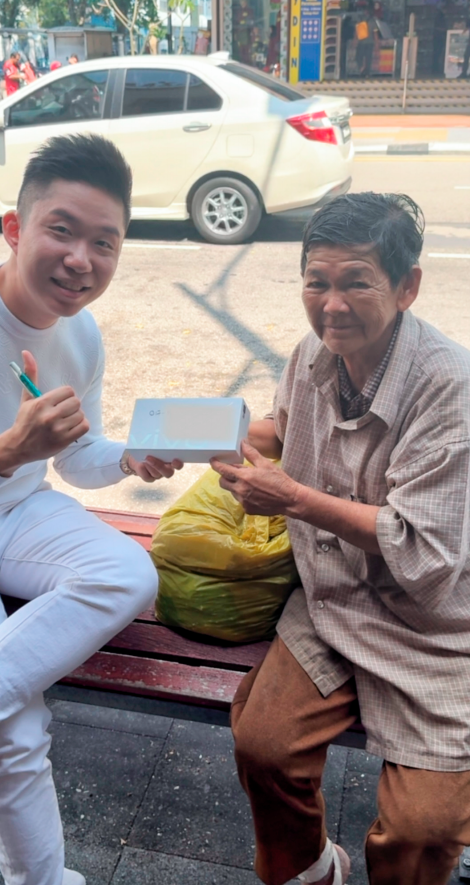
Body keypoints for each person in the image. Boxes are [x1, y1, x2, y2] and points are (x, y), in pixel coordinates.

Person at [0, 133, 183, 885]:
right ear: (14, 228)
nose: (81, 260)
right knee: (15, 727)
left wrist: (124, 455)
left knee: (129, 573)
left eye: (105, 243)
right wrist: (5, 451)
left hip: (21, 511)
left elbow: (74, 460)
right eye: (61, 230)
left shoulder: (80, 331)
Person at [212, 192, 470, 885]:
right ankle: (308, 869)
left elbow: (422, 547)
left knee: (423, 831)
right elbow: (281, 427)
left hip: (434, 625)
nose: (331, 303)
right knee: (262, 746)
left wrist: (291, 498)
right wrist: (198, 440)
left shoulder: (447, 384)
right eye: (316, 282)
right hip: (332, 597)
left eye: (356, 281)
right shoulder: (311, 353)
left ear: (406, 286)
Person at [355, 10, 379, 77]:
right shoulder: (372, 21)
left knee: (358, 57)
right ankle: (367, 73)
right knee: (368, 58)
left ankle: (361, 69)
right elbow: (375, 33)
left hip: (361, 42)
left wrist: (355, 40)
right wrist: (376, 43)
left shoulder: (359, 20)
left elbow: (356, 32)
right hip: (370, 43)